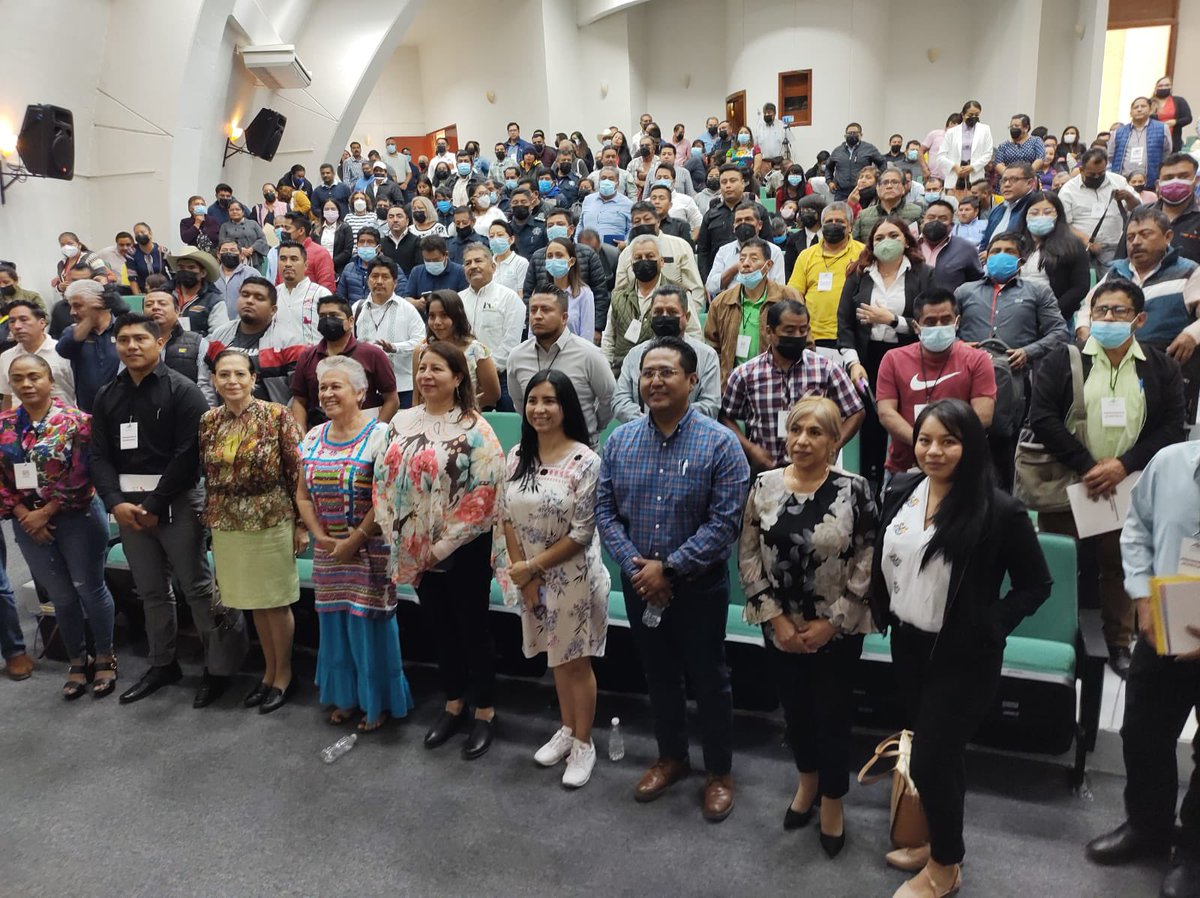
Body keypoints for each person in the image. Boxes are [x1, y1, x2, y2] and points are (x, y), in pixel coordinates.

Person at [870, 399, 1050, 898]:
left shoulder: (1000, 510)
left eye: (948, 441)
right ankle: (942, 841)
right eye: (925, 440)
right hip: (907, 644)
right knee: (943, 758)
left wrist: (991, 625)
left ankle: (945, 866)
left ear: (970, 446)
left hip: (964, 658)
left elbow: (1036, 585)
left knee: (929, 762)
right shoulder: (902, 489)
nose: (934, 451)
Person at [596, 335, 750, 820]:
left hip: (698, 586)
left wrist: (670, 567)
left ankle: (719, 772)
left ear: (692, 380)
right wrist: (639, 568)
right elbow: (605, 511)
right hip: (642, 585)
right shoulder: (620, 440)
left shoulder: (720, 442)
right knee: (659, 675)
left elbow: (725, 523)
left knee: (710, 679)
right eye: (648, 373)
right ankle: (672, 758)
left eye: (666, 372)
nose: (655, 381)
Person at [739, 396, 876, 853]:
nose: (802, 440)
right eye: (796, 430)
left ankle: (833, 798)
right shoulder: (764, 484)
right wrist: (776, 619)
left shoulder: (855, 489)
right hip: (780, 626)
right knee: (795, 711)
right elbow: (749, 555)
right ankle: (807, 781)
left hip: (836, 630)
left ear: (835, 441)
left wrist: (832, 624)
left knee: (832, 716)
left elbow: (867, 560)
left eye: (815, 432)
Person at [91, 314, 248, 706]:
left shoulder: (183, 390)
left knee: (196, 587)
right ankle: (163, 663)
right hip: (129, 508)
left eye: (140, 338)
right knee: (151, 591)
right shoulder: (107, 394)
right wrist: (115, 502)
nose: (131, 346)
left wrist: (155, 503)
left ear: (159, 342)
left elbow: (188, 455)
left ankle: (218, 669)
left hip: (177, 500)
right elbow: (99, 456)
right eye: (123, 339)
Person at [1032, 278, 1186, 675]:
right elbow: (1042, 417)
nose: (1108, 318)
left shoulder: (1161, 367)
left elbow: (1172, 427)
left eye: (1119, 311)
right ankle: (1053, 636)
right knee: (1058, 563)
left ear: (1139, 319)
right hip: (1068, 483)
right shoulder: (1063, 359)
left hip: (1126, 487)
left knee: (1119, 566)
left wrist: (1124, 464)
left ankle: (1118, 643)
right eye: (1101, 310)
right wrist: (1086, 464)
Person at [374, 340, 505, 759]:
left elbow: (485, 494)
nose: (427, 376)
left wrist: (441, 547)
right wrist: (394, 533)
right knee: (440, 626)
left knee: (472, 628)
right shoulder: (402, 420)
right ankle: (453, 702)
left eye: (437, 369)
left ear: (458, 377)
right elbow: (382, 478)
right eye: (422, 368)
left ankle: (484, 710)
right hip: (415, 548)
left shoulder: (475, 428)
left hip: (462, 548)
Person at [1085, 440, 1200, 897]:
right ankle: (1148, 827)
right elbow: (1136, 530)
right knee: (1143, 733)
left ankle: (1194, 850)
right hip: (1161, 630)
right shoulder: (1170, 464)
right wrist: (1141, 598)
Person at [493, 371, 610, 787]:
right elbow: (506, 516)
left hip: (575, 578)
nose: (539, 409)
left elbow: (582, 533)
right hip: (532, 577)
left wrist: (532, 568)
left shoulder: (586, 461)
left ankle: (584, 743)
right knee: (555, 658)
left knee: (576, 661)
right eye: (533, 401)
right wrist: (522, 573)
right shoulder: (516, 456)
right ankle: (567, 728)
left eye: (550, 401)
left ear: (566, 407)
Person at [295, 357, 413, 733]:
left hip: (370, 549)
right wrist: (320, 536)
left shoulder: (382, 435)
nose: (327, 394)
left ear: (360, 393)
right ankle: (345, 697)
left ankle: (377, 702)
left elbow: (388, 497)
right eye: (323, 387)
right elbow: (302, 495)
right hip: (329, 550)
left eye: (336, 386)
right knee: (334, 624)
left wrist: (355, 539)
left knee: (368, 624)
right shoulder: (313, 436)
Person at [0, 354, 115, 698]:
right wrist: (24, 514)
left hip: (77, 517)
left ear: (50, 380)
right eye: (18, 379)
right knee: (61, 596)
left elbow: (81, 474)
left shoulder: (77, 421)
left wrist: (45, 512)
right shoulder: (4, 425)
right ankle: (77, 660)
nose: (26, 384)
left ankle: (105, 656)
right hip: (27, 522)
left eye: (34, 377)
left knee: (89, 588)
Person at [199, 350, 303, 713]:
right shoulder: (209, 421)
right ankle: (267, 672)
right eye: (224, 374)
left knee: (275, 601)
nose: (232, 381)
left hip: (271, 518)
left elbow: (297, 472)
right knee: (253, 601)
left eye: (239, 374)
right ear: (214, 380)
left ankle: (284, 673)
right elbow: (209, 476)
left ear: (253, 379)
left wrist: (301, 524)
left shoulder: (277, 416)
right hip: (228, 523)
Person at [955, 231, 1070, 487]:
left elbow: (1059, 332)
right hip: (967, 380)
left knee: (1005, 451)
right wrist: (959, 346)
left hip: (1015, 382)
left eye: (1009, 252)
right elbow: (944, 329)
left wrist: (1028, 351)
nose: (1001, 256)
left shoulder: (1038, 291)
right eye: (995, 251)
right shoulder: (964, 291)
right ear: (986, 257)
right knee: (964, 444)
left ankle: (1004, 503)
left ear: (1021, 259)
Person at [838, 218, 936, 485]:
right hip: (867, 360)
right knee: (871, 426)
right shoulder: (859, 274)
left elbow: (931, 323)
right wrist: (852, 363)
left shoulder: (923, 274)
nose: (886, 242)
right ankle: (870, 487)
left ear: (906, 240)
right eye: (879, 238)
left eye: (893, 235)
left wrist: (892, 320)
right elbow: (844, 324)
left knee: (905, 421)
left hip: (908, 358)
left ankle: (907, 484)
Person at [1077, 207, 1200, 419]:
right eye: (1130, 237)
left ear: (1168, 237)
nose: (1135, 242)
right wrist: (1083, 329)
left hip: (1165, 367)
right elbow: (1088, 306)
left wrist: (1192, 334)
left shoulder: (1189, 271)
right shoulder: (1116, 272)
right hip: (1113, 363)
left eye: (1145, 234)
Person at [720, 298, 863, 471]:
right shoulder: (745, 374)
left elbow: (856, 411)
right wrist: (751, 450)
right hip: (766, 469)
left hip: (815, 469)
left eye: (803, 330)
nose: (797, 336)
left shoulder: (826, 369)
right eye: (789, 330)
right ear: (769, 332)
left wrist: (833, 446)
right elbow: (726, 416)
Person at [876, 289, 997, 482]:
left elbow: (983, 415)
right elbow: (886, 413)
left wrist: (944, 445)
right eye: (931, 322)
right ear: (916, 326)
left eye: (946, 320)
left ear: (957, 322)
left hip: (961, 469)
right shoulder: (893, 359)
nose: (939, 326)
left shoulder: (978, 360)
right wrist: (924, 443)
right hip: (903, 469)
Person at [508, 289, 615, 443]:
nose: (537, 316)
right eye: (533, 310)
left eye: (545, 310)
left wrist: (591, 425)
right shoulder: (517, 356)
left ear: (564, 317)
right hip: (536, 448)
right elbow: (520, 403)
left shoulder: (589, 355)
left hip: (581, 446)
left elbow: (609, 398)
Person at [289, 295, 398, 432]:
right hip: (319, 434)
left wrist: (374, 433)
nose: (327, 320)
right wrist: (303, 435)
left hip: (363, 430)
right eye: (322, 316)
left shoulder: (373, 354)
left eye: (334, 315)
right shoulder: (307, 356)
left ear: (350, 321)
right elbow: (299, 400)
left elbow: (392, 399)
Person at [613, 285, 720, 423]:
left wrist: (669, 419)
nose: (664, 317)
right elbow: (620, 401)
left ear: (687, 317)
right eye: (658, 312)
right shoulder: (634, 355)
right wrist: (648, 422)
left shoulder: (707, 356)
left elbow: (710, 405)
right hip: (642, 430)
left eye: (672, 312)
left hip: (691, 432)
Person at [204, 277, 307, 406]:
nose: (249, 301)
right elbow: (205, 381)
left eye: (259, 298)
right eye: (245, 295)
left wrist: (283, 417)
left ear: (273, 310)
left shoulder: (290, 341)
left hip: (274, 415)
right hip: (223, 415)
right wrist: (212, 413)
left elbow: (299, 393)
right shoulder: (219, 335)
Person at [350, 257, 426, 410]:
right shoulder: (357, 308)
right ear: (368, 280)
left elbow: (422, 342)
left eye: (385, 277)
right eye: (374, 276)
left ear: (395, 282)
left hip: (402, 387)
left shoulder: (408, 309)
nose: (379, 281)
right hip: (366, 388)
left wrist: (396, 348)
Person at [787, 202, 865, 347]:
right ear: (822, 226)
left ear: (850, 227)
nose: (833, 225)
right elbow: (794, 295)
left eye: (839, 221)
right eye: (829, 221)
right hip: (813, 335)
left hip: (852, 335)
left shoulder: (863, 254)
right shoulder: (806, 255)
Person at [459, 244, 525, 412]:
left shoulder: (509, 298)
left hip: (503, 379)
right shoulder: (458, 300)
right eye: (468, 263)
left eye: (478, 261)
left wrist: (485, 373)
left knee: (504, 425)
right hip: (465, 379)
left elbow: (511, 343)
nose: (473, 266)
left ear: (493, 267)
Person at [1059, 148, 1142, 266]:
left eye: (1101, 173)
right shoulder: (1068, 190)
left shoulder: (1118, 181)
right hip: (1080, 248)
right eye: (1092, 174)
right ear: (1081, 170)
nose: (1097, 177)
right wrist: (1085, 240)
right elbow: (1063, 224)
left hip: (1114, 247)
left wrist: (1129, 197)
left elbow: (1139, 209)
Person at [1018, 191, 1091, 319]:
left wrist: (1051, 311)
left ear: (1058, 215)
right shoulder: (1017, 243)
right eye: (1034, 213)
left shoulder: (1073, 246)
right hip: (1019, 314)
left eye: (1047, 212)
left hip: (1055, 317)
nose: (1041, 217)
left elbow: (1080, 288)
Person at [1123, 152, 1200, 265]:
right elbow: (1122, 259)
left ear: (1196, 180)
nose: (1175, 182)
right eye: (1168, 178)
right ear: (1158, 184)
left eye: (1183, 176)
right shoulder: (1140, 213)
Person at [55, 281, 120, 413]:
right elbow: (63, 349)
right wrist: (89, 320)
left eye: (78, 306)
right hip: (89, 412)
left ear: (99, 304)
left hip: (123, 408)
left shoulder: (123, 328)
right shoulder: (72, 332)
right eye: (71, 306)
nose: (72, 312)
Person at [0, 300, 74, 409]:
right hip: (20, 418)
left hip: (62, 417)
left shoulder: (63, 353)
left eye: (23, 319)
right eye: (12, 321)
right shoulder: (6, 357)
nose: (17, 326)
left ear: (42, 323)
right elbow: (8, 397)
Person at [704, 201, 787, 296]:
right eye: (739, 221)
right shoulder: (724, 251)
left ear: (759, 225)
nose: (743, 223)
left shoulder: (774, 251)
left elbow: (778, 289)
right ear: (734, 227)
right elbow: (711, 287)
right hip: (731, 302)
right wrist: (736, 267)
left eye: (748, 219)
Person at [697, 165, 761, 280]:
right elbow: (703, 251)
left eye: (733, 181)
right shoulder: (710, 215)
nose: (728, 185)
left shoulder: (758, 211)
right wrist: (706, 280)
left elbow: (767, 244)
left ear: (743, 183)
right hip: (719, 279)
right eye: (724, 182)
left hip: (754, 276)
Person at [918, 199, 984, 294]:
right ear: (923, 221)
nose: (935, 222)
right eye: (931, 218)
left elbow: (977, 284)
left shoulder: (966, 249)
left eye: (942, 219)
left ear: (952, 225)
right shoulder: (910, 246)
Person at [142, 290, 207, 384]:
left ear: (177, 311)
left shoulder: (198, 342)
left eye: (162, 303)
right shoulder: (134, 343)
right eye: (149, 305)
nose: (155, 307)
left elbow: (205, 384)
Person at [163, 247, 230, 337]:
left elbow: (219, 335)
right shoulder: (164, 295)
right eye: (181, 267)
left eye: (191, 267)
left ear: (203, 273)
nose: (185, 271)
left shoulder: (214, 301)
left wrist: (196, 343)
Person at [275, 240, 332, 344]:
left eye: (294, 259)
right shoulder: (273, 295)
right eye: (283, 259)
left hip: (314, 354)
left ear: (306, 265)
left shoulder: (321, 294)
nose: (288, 264)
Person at [1110, 97, 1173, 188]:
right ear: (1131, 112)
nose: (1139, 109)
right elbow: (1111, 155)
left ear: (1150, 110)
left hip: (1151, 182)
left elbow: (1167, 152)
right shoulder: (1118, 132)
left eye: (1143, 106)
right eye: (1136, 107)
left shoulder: (1162, 128)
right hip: (1123, 183)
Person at [937, 101, 994, 192]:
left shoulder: (985, 130)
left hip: (975, 174)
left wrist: (973, 167)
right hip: (955, 174)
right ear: (963, 114)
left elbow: (988, 154)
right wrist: (955, 167)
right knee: (953, 199)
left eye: (976, 115)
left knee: (974, 198)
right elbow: (941, 156)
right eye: (970, 115)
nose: (973, 117)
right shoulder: (951, 132)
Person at [851, 168, 923, 241]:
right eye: (885, 183)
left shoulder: (917, 212)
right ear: (877, 188)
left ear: (903, 188)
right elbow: (855, 244)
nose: (889, 186)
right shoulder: (863, 216)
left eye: (894, 182)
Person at [403, 236, 468, 315]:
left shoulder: (460, 272)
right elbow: (406, 299)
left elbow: (466, 300)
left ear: (446, 254)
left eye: (436, 260)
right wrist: (417, 303)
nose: (431, 263)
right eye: (427, 260)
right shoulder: (416, 272)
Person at [978, 162, 1038, 249]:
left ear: (1029, 183)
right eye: (1004, 180)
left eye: (1013, 179)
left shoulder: (1036, 207)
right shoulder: (997, 209)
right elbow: (984, 243)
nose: (1006, 184)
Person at [825, 123, 886, 201]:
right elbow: (828, 167)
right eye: (849, 133)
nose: (852, 135)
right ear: (845, 135)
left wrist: (878, 180)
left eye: (854, 133)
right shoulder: (837, 151)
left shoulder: (869, 148)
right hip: (841, 193)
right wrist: (829, 181)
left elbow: (882, 163)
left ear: (861, 135)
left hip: (863, 192)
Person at [336, 228, 397, 305]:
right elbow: (340, 298)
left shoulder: (391, 267)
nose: (365, 245)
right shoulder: (349, 268)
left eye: (370, 242)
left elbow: (401, 295)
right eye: (361, 242)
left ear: (378, 248)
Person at [218, 201, 269, 271]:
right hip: (234, 259)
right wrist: (240, 249)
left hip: (254, 259)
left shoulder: (253, 223)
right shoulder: (224, 226)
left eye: (237, 209)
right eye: (231, 210)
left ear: (243, 212)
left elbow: (262, 239)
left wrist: (252, 249)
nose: (234, 212)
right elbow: (222, 242)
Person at [214, 239, 258, 317]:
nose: (228, 253)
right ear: (218, 255)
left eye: (233, 250)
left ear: (241, 255)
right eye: (224, 250)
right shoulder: (212, 275)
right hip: (216, 322)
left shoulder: (252, 274)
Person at [1150, 75, 1194, 153]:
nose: (1163, 87)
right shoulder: (1149, 102)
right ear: (1156, 88)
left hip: (1173, 142)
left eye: (1167, 85)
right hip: (1152, 141)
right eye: (1160, 86)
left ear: (1171, 87)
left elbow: (1188, 118)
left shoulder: (1179, 101)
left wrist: (1175, 122)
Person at [486, 219, 530, 296]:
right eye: (491, 236)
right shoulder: (487, 264)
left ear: (511, 239)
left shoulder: (521, 263)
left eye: (500, 235)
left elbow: (521, 293)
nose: (495, 239)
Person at [125, 223, 170, 295]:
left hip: (164, 290)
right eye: (136, 233)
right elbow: (132, 277)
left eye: (142, 232)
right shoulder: (131, 253)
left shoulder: (162, 251)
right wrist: (137, 296)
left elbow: (173, 272)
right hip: (143, 291)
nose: (139, 235)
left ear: (150, 233)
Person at [317, 199, 354, 276]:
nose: (330, 211)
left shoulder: (345, 228)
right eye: (326, 209)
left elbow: (347, 251)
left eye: (333, 209)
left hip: (339, 269)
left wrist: (330, 262)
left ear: (338, 211)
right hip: (319, 267)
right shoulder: (316, 229)